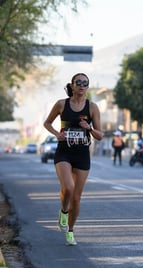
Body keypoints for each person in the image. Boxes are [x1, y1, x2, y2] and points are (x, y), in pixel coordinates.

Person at [43, 73, 103, 246]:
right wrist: (57, 134)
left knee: (76, 198)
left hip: (82, 154)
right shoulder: (62, 104)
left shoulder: (92, 107)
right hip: (64, 152)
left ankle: (70, 231)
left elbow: (100, 135)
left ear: (87, 86)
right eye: (79, 82)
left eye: (85, 83)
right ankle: (63, 211)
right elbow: (47, 123)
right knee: (68, 187)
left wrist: (89, 128)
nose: (82, 85)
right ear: (73, 85)